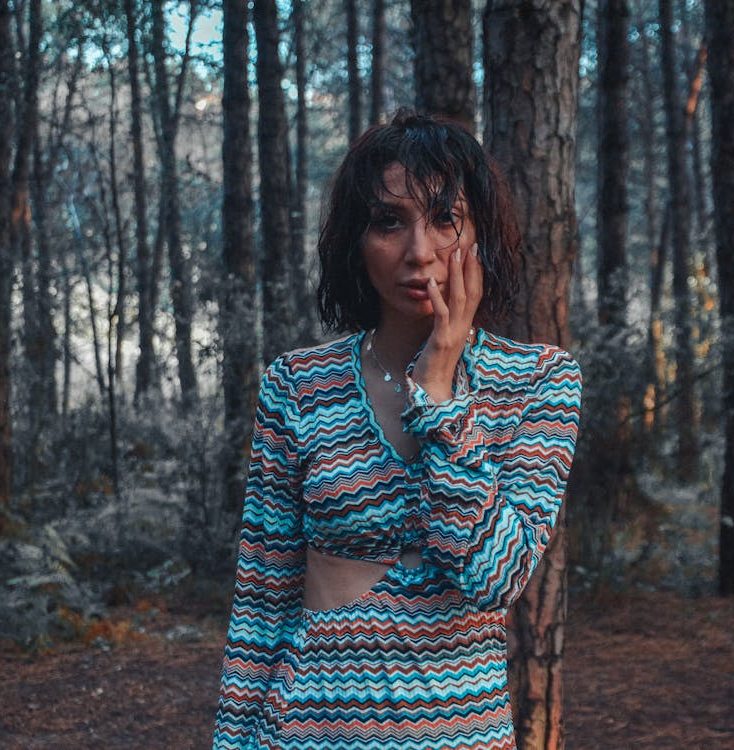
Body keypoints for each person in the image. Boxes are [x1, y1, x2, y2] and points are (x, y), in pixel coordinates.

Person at [212, 110, 582, 750]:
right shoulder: (297, 385)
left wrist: (438, 390)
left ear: (480, 234)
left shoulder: (540, 382)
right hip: (306, 729)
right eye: (389, 221)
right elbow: (262, 604)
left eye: (445, 219)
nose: (419, 252)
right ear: (356, 241)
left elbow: (495, 578)